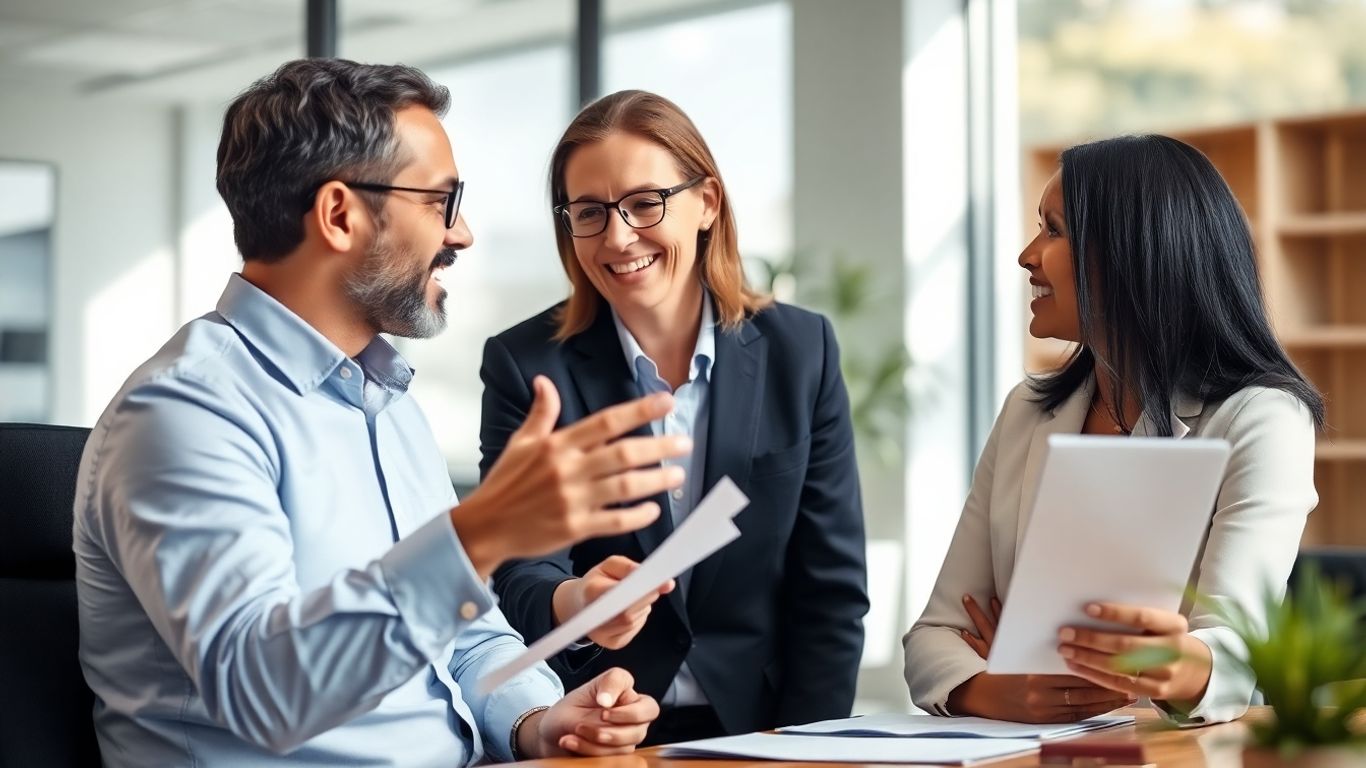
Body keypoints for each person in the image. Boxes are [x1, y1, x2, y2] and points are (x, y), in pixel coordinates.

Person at [73, 59, 690, 767]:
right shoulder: (185, 412)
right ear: (340, 214)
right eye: (440, 203)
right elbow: (264, 689)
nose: (462, 236)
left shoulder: (387, 405)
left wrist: (539, 721)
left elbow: (467, 640)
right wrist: (480, 533)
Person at [481, 90, 869, 745]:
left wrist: (809, 751)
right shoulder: (526, 365)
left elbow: (829, 592)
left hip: (765, 729)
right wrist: (575, 598)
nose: (617, 236)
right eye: (590, 213)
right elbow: (518, 568)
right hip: (599, 723)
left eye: (643, 203)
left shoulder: (799, 351)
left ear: (706, 204)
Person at [903, 134, 1323, 726]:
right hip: (1021, 752)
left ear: (1135, 251)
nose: (1027, 256)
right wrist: (992, 688)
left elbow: (1235, 651)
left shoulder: (1262, 417)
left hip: (1171, 753)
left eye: (1053, 230)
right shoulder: (1026, 410)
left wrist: (1175, 664)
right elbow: (933, 637)